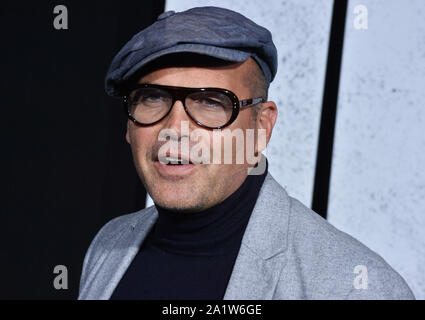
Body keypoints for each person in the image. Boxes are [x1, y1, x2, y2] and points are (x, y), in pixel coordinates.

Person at [78, 6, 414, 300]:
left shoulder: (355, 287)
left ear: (261, 128)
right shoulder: (109, 244)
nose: (174, 128)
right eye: (152, 98)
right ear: (128, 126)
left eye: (211, 102)